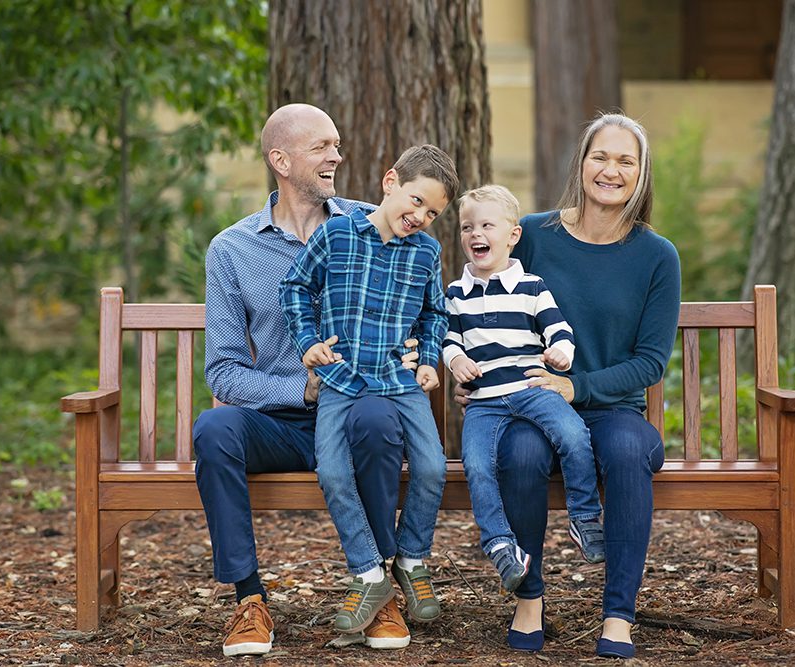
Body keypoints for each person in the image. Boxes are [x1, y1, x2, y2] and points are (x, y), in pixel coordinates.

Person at [194, 103, 418, 657]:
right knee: (214, 430)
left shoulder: (373, 225)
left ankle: (377, 587)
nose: (336, 156)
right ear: (281, 159)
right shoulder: (232, 249)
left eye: (336, 145)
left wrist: (416, 347)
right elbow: (222, 369)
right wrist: (301, 390)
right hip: (283, 424)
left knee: (375, 418)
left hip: (356, 414)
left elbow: (418, 307)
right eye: (321, 146)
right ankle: (249, 600)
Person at [455, 114, 681, 658]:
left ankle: (618, 615)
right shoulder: (531, 234)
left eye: (626, 160)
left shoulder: (656, 256)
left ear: (641, 174)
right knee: (522, 453)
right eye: (600, 156)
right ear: (581, 163)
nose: (611, 170)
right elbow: (484, 305)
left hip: (610, 409)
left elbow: (650, 362)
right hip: (528, 405)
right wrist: (473, 369)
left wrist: (572, 388)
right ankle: (529, 597)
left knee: (629, 452)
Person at [281, 145, 459, 637]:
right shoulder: (336, 235)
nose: (420, 216)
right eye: (417, 201)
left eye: (433, 213)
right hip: (339, 379)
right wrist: (309, 343)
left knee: (431, 467)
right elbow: (295, 288)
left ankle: (412, 560)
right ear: (390, 182)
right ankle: (369, 572)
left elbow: (433, 314)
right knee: (334, 473)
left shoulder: (426, 252)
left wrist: (427, 360)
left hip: (399, 381)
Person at [443, 184, 604, 597]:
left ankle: (584, 517)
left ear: (512, 235)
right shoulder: (455, 294)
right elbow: (449, 340)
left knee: (573, 435)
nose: (475, 234)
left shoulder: (531, 286)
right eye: (466, 227)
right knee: (477, 465)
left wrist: (561, 353)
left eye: (486, 226)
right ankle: (499, 543)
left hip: (532, 387)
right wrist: (456, 361)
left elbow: (558, 327)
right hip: (483, 402)